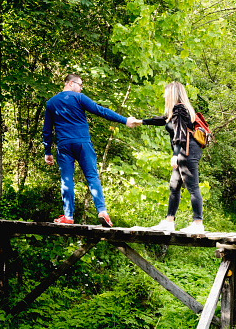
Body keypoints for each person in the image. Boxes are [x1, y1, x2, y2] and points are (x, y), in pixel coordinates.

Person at [43, 74, 141, 227]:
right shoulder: (79, 98)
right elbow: (101, 111)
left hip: (64, 146)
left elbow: (47, 131)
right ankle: (102, 212)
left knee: (66, 180)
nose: (81, 88)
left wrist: (47, 152)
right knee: (92, 177)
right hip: (82, 143)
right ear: (69, 83)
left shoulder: (51, 103)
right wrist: (125, 120)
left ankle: (68, 216)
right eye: (80, 84)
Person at [142, 82, 205, 234]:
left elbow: (180, 134)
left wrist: (175, 155)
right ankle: (169, 221)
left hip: (186, 151)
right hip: (187, 150)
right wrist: (141, 122)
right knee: (174, 185)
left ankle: (198, 224)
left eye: (165, 93)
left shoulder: (179, 108)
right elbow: (163, 120)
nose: (164, 96)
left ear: (172, 94)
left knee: (192, 186)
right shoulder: (179, 109)